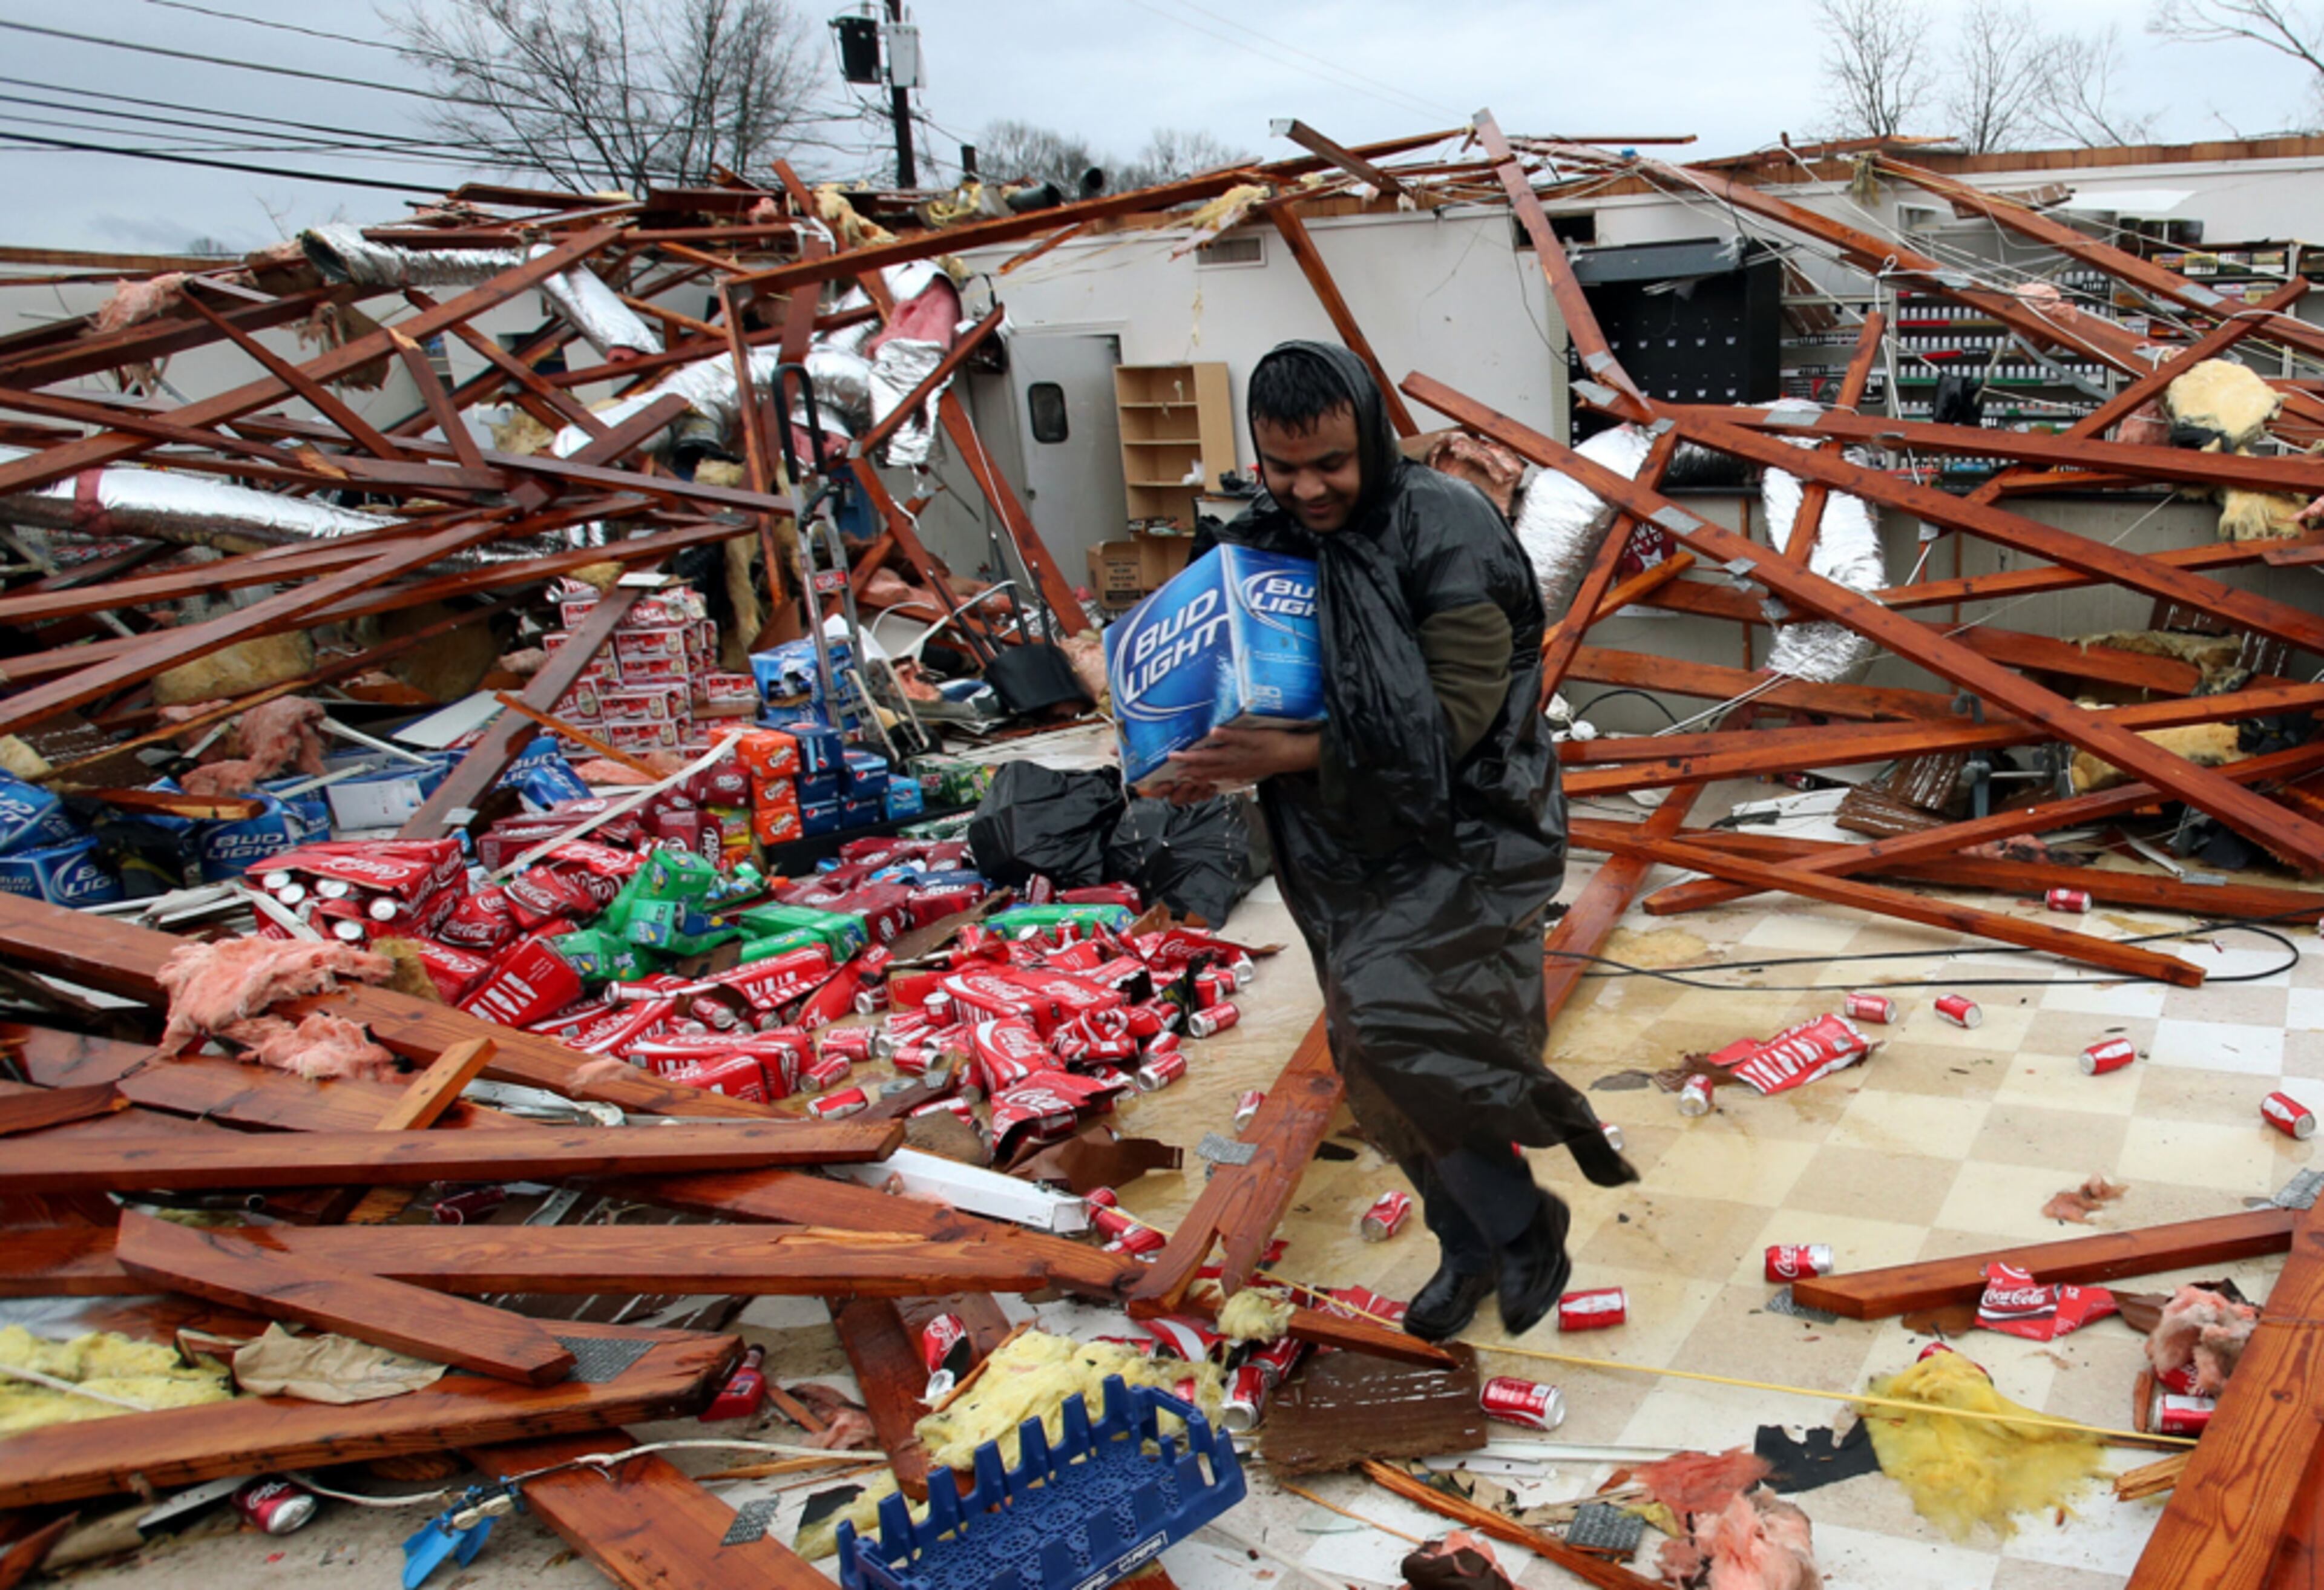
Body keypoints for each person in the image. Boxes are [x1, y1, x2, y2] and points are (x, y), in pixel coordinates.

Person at [1166, 341, 1636, 1341]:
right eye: (1282, 466)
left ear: (1371, 439)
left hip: (1468, 835)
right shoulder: (1270, 534)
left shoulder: (1446, 530)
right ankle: (1467, 1247)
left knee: (1413, 1034)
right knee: (1379, 1070)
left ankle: (1523, 1227)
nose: (1306, 488)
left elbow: (1456, 720)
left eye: (1328, 464)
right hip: (1339, 848)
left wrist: (1288, 754)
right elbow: (1229, 662)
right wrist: (1185, 747)